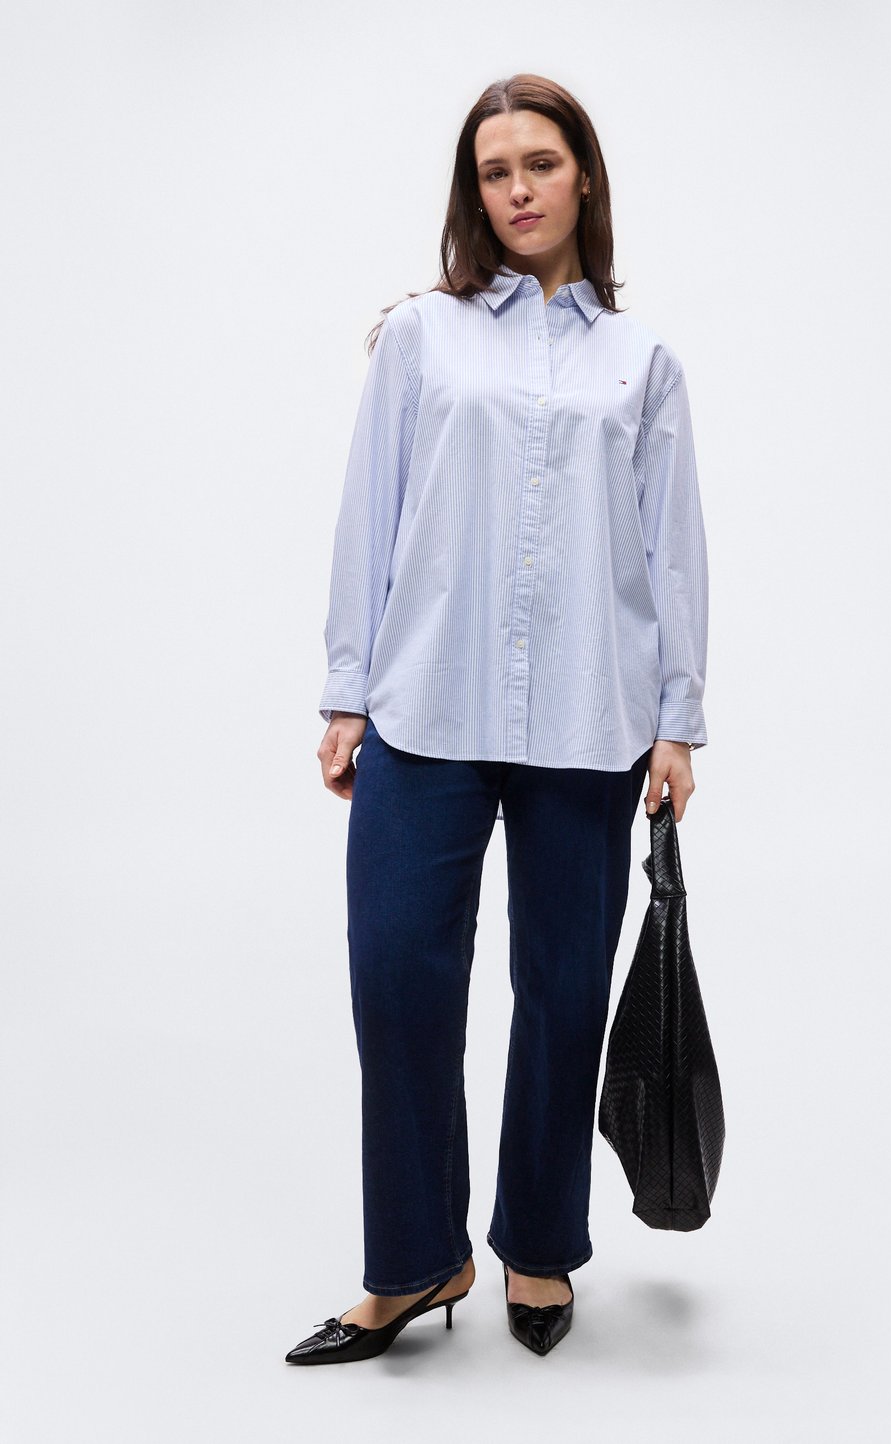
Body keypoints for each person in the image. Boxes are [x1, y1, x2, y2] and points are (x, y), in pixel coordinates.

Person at [285, 72, 709, 1365]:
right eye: (493, 171)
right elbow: (371, 511)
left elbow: (673, 550)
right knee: (398, 977)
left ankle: (538, 1244)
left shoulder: (642, 362)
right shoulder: (421, 338)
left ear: (584, 176)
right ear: (475, 194)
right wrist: (347, 691)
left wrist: (678, 721)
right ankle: (419, 1260)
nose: (518, 189)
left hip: (590, 720)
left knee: (563, 991)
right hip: (427, 704)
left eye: (540, 163)